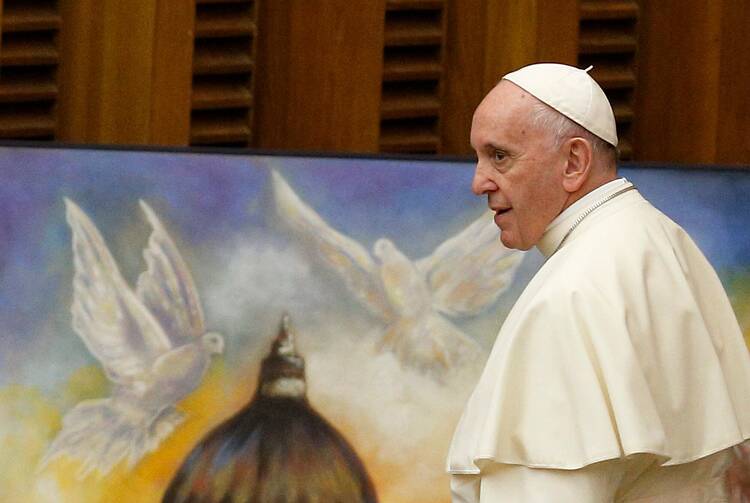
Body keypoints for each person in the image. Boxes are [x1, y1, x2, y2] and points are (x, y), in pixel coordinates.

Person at [446, 62, 750, 502]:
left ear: (573, 162)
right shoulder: (661, 239)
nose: (478, 182)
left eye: (500, 156)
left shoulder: (570, 294)